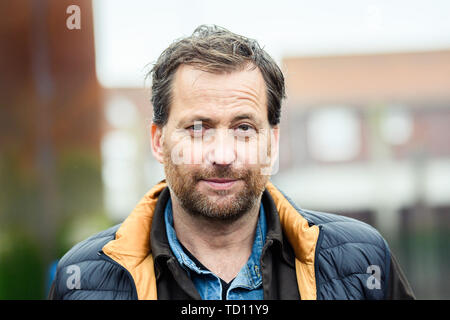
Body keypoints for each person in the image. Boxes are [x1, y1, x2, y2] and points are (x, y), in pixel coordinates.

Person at [48, 25, 415, 300]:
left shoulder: (360, 262)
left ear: (271, 141)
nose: (223, 156)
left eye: (243, 128)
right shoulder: (85, 281)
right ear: (159, 142)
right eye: (197, 128)